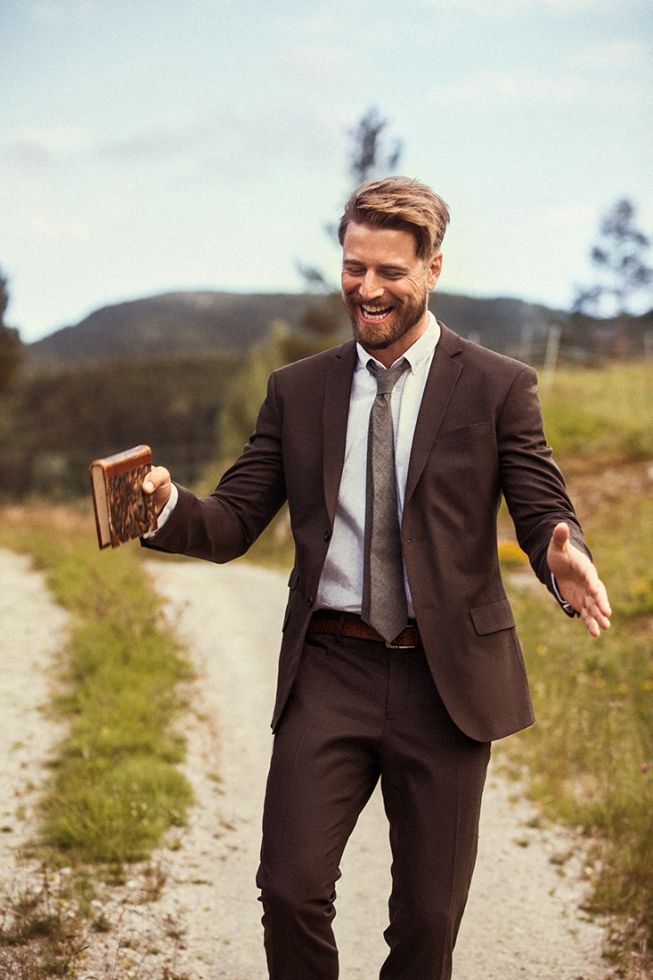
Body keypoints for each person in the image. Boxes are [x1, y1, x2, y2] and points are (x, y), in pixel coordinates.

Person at [142, 176, 611, 980]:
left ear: (431, 268)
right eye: (354, 266)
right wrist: (160, 507)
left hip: (445, 680)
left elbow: (538, 502)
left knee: (427, 920)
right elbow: (230, 522)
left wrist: (557, 548)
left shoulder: (498, 385)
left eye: (389, 271)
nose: (367, 288)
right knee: (288, 889)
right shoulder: (298, 391)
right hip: (330, 668)